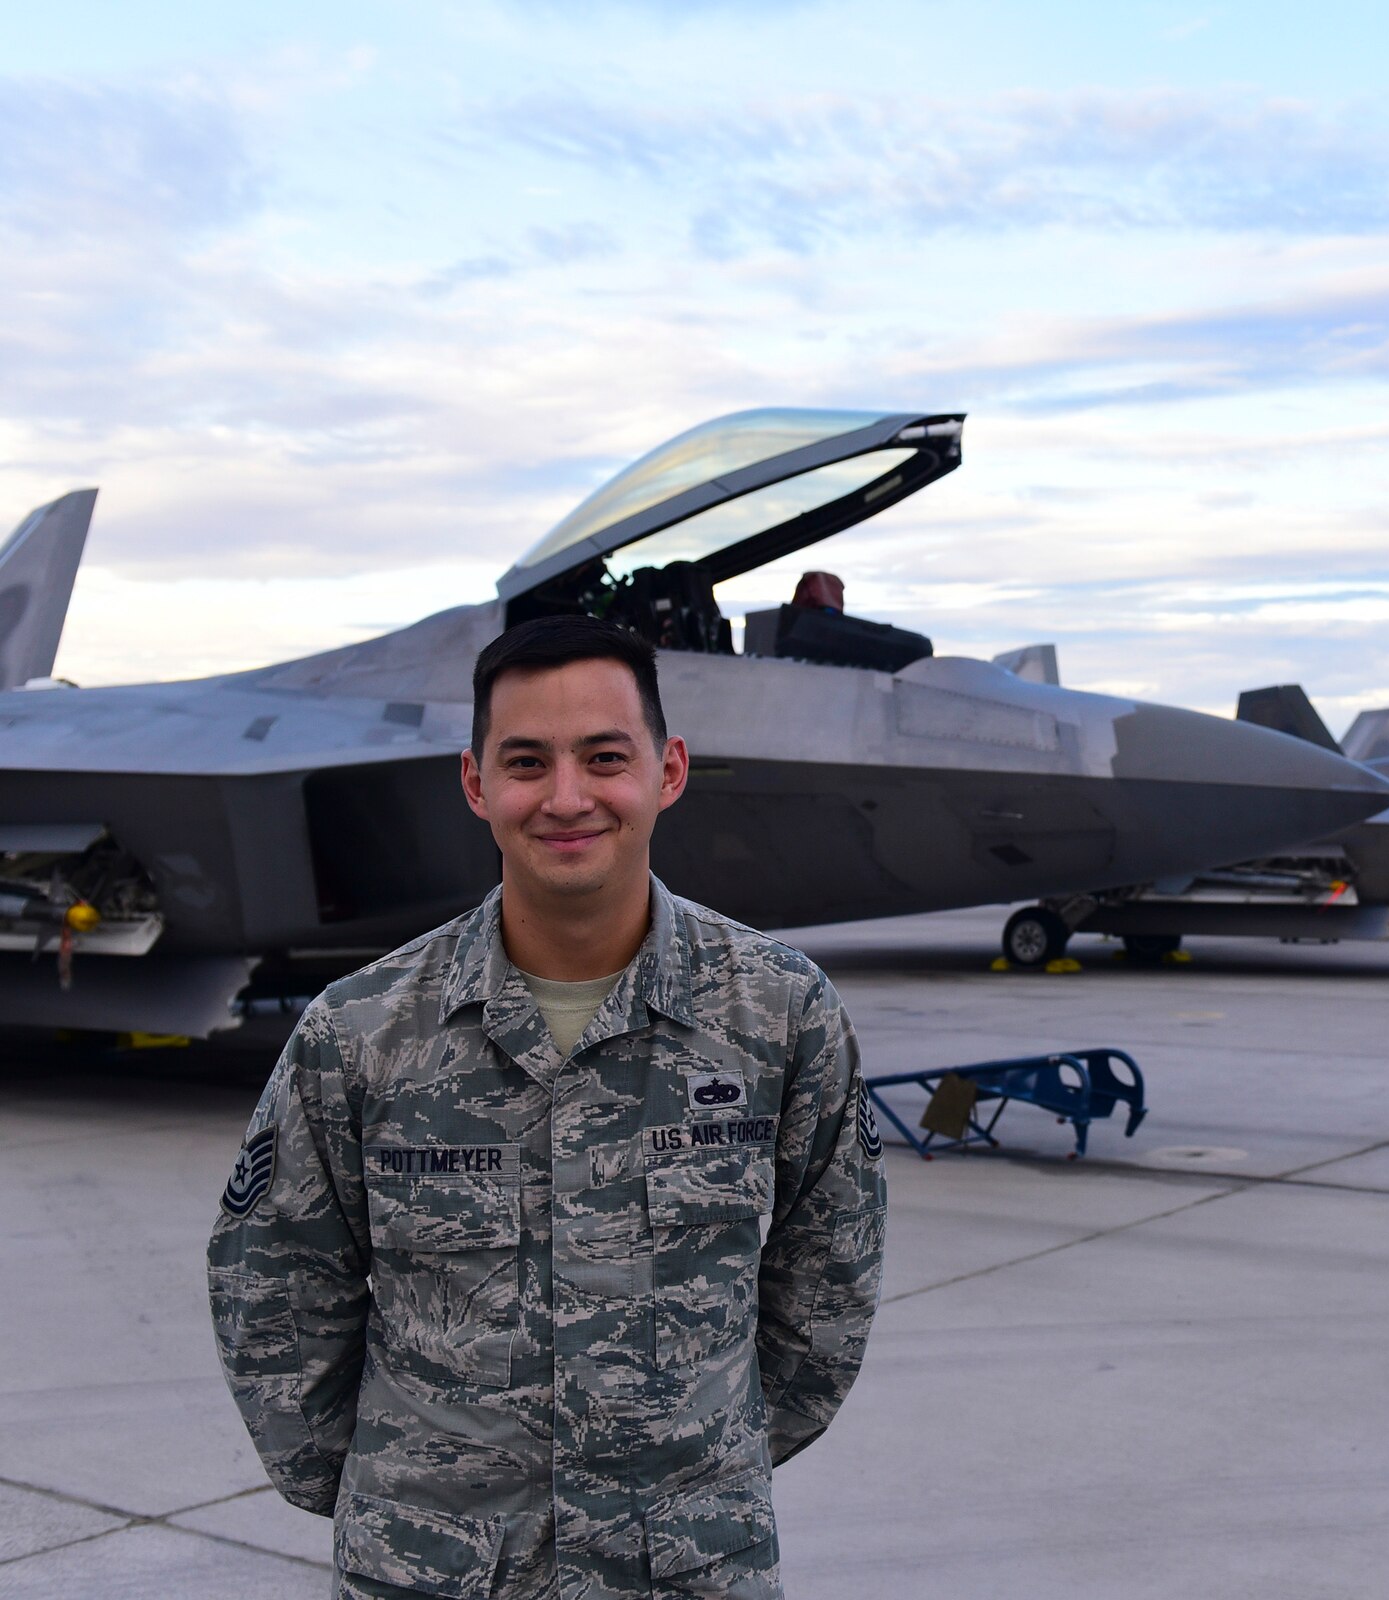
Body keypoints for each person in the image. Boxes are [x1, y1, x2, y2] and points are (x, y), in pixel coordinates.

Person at [208, 615, 886, 1599]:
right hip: (431, 1572)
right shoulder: (359, 1033)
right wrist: (399, 1496)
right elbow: (269, 1286)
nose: (566, 797)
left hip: (686, 1568)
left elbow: (829, 1285)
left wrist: (699, 1464)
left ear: (669, 769)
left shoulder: (779, 1014)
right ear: (476, 783)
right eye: (526, 761)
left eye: (605, 757)